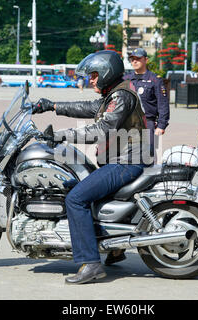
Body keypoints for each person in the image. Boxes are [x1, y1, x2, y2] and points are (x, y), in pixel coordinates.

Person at [31, 50, 150, 284]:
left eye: (94, 75)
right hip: (121, 160)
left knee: (75, 199)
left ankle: (90, 264)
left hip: (125, 164)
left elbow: (100, 130)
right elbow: (89, 108)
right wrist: (52, 105)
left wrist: (60, 136)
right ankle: (114, 248)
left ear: (107, 73)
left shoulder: (121, 97)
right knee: (77, 185)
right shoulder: (115, 93)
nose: (90, 79)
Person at [124, 48, 170, 158]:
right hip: (127, 124)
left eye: (138, 59)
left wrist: (161, 125)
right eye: (132, 59)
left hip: (147, 123)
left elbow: (162, 104)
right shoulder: (126, 80)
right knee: (126, 156)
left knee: (147, 157)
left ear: (146, 60)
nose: (134, 61)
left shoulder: (155, 80)